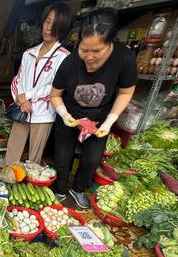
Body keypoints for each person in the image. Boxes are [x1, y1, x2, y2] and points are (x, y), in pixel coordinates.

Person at [50, 8, 137, 208]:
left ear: (110, 44)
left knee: (92, 160)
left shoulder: (124, 58)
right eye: (84, 49)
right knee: (62, 157)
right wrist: (64, 115)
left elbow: (125, 92)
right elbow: (55, 95)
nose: (89, 56)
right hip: (69, 116)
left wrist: (109, 121)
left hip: (99, 120)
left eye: (96, 51)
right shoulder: (70, 62)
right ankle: (60, 189)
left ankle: (78, 189)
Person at [5, 2, 73, 165]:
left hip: (43, 113)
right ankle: (5, 181)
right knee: (12, 152)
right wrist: (21, 99)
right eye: (47, 21)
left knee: (34, 159)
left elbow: (55, 87)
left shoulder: (64, 57)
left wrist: (28, 95)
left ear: (62, 28)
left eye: (55, 24)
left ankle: (31, 187)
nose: (49, 27)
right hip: (22, 109)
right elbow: (17, 80)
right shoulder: (29, 53)